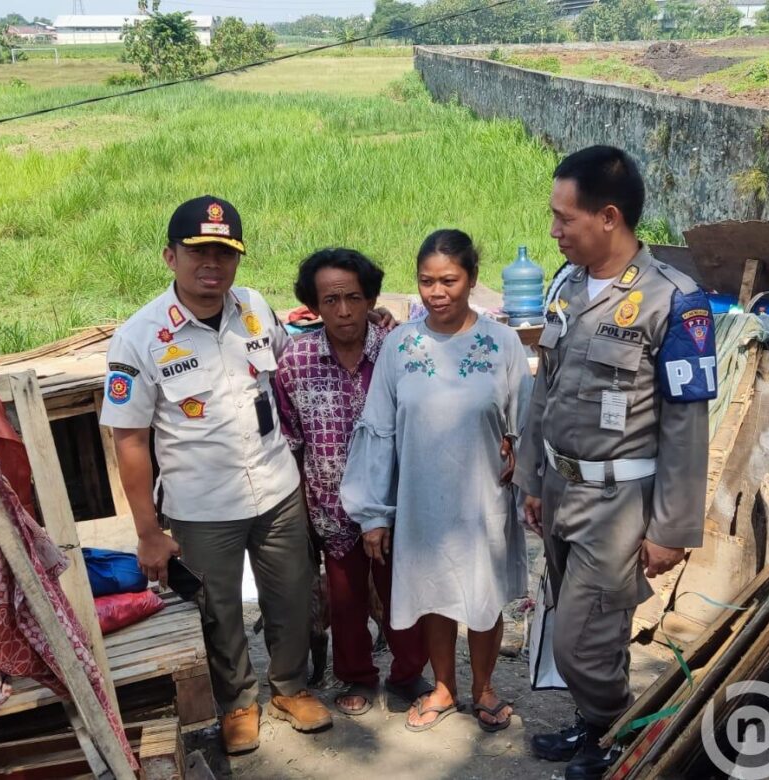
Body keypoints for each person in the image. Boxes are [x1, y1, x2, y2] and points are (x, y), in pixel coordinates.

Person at [99, 195, 331, 757]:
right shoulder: (139, 337)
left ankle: (290, 687)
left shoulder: (254, 308)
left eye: (224, 253)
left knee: (291, 595)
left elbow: (289, 368)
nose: (212, 264)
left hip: (276, 488)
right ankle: (237, 704)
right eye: (198, 251)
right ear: (170, 256)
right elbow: (129, 440)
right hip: (200, 505)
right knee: (217, 610)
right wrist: (148, 533)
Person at [513, 147, 717, 779]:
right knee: (595, 632)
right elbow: (544, 389)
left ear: (608, 216)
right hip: (560, 487)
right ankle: (595, 726)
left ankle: (619, 735)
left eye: (564, 217)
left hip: (618, 505)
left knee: (578, 640)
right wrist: (532, 479)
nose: (554, 230)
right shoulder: (568, 285)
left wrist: (671, 527)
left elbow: (687, 425)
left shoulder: (673, 301)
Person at [341, 229, 531, 733]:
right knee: (433, 595)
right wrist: (373, 513)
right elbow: (379, 430)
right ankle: (444, 687)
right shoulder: (400, 345)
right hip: (421, 500)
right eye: (427, 281)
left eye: (449, 280)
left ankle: (483, 687)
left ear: (472, 279)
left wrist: (521, 457)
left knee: (483, 598)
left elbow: (527, 419)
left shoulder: (502, 344)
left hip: (483, 498)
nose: (437, 292)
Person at [274, 248, 432, 717]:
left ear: (371, 299)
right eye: (331, 300)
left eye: (354, 298)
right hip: (331, 506)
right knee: (344, 601)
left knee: (402, 593)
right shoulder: (296, 360)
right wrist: (300, 512)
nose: (344, 311)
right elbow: (290, 439)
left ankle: (408, 672)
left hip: (394, 503)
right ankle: (357, 675)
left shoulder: (398, 351)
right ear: (313, 306)